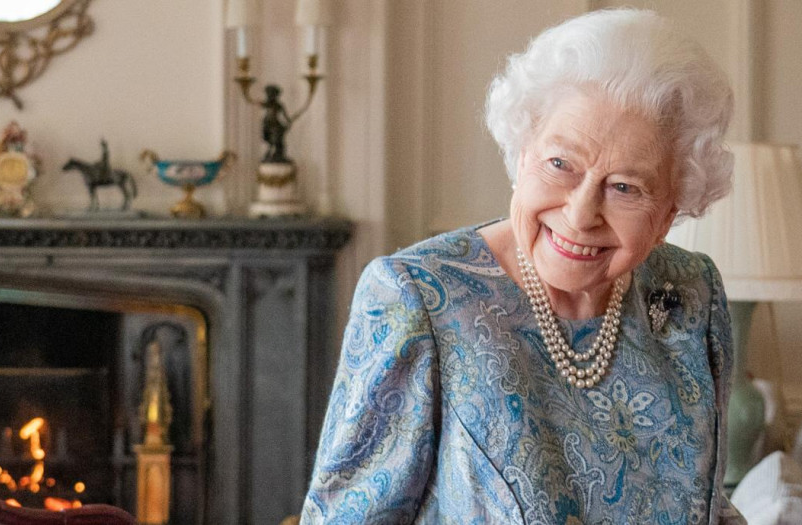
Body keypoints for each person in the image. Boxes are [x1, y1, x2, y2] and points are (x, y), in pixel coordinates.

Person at [302, 9, 743, 524]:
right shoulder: (417, 298)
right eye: (560, 164)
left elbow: (708, 505)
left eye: (625, 187)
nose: (580, 214)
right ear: (521, 152)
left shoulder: (690, 293)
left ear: (671, 210)